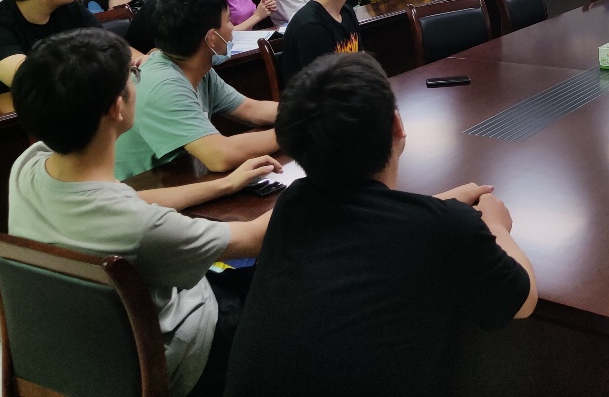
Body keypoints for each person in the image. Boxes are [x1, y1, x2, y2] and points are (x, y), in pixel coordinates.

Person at [224, 52, 536, 397]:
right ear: (397, 125)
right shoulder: (448, 230)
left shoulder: (292, 203)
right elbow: (522, 302)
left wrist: (438, 207)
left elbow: (370, 225)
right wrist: (496, 224)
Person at [9, 28, 273, 397]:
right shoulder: (141, 229)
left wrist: (222, 185)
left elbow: (122, 200)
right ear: (115, 108)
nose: (139, 80)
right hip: (165, 359)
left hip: (80, 353)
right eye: (134, 75)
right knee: (277, 280)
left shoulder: (27, 167)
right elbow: (256, 238)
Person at [114, 0, 282, 179]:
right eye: (228, 21)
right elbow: (220, 155)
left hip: (177, 178)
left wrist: (306, 110)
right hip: (141, 187)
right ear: (212, 39)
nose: (232, 29)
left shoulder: (196, 68)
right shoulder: (164, 85)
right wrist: (296, 129)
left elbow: (251, 110)